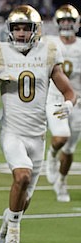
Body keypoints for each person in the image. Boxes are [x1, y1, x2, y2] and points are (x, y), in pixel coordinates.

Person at [0, 5, 76, 243]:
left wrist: (68, 104)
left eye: (25, 28)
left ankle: (9, 219)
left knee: (23, 200)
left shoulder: (48, 52)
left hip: (37, 135)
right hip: (12, 131)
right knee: (22, 175)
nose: (20, 33)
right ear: (9, 30)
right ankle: (14, 235)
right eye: (16, 28)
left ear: (35, 30)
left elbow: (69, 90)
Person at [44, 4, 81, 202]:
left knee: (69, 149)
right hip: (56, 98)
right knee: (60, 138)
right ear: (57, 23)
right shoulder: (49, 43)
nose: (66, 24)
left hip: (78, 101)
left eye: (69, 20)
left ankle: (62, 181)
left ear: (77, 23)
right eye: (63, 20)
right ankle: (51, 156)